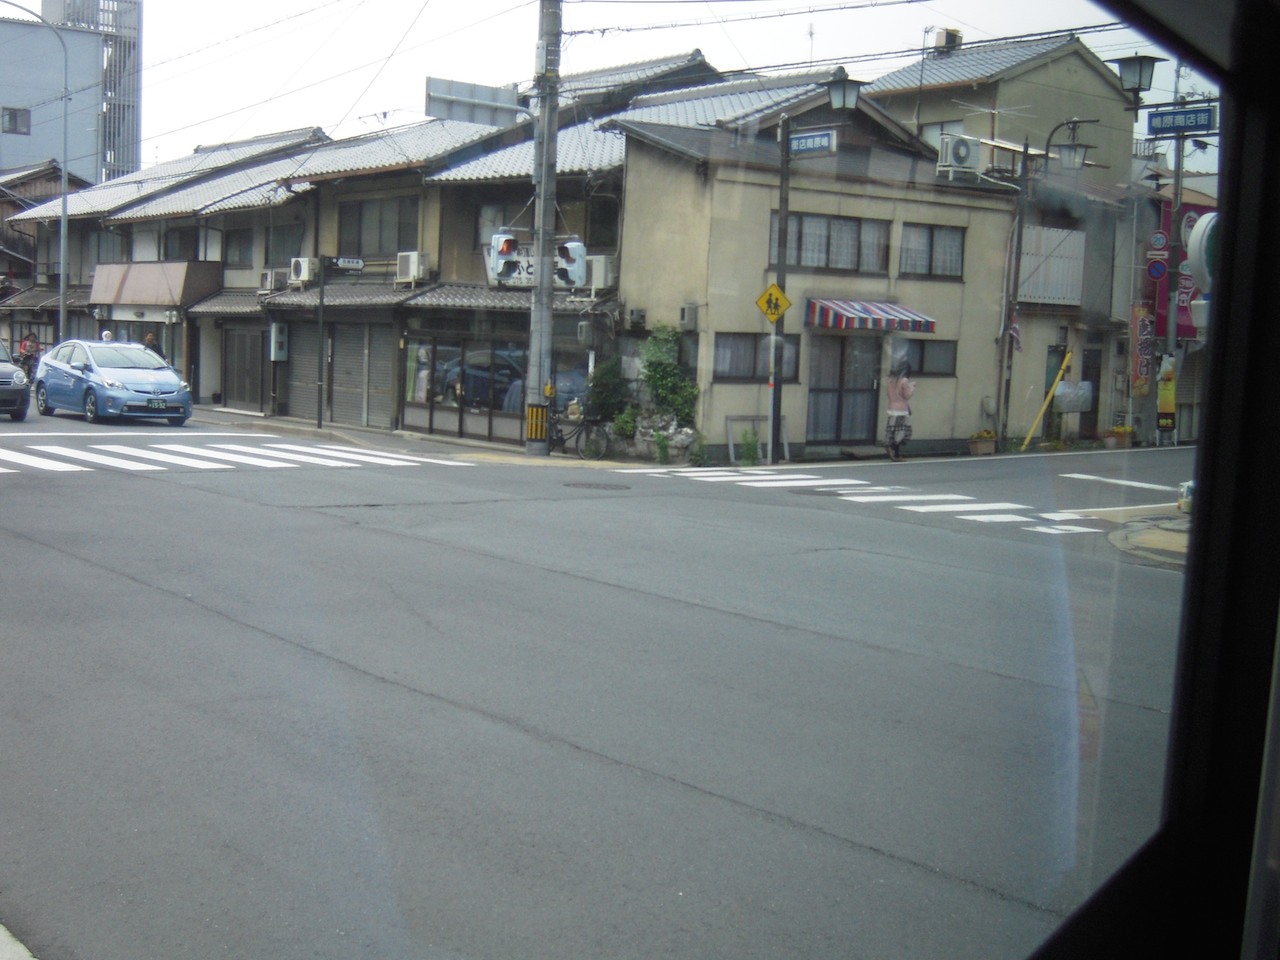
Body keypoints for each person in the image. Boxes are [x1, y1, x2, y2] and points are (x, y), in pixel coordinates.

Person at [884, 362, 915, 462]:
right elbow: (906, 396)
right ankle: (895, 452)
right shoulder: (904, 380)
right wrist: (912, 387)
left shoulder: (890, 380)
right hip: (901, 410)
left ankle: (892, 450)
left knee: (892, 431)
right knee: (901, 433)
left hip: (892, 408)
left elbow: (889, 394)